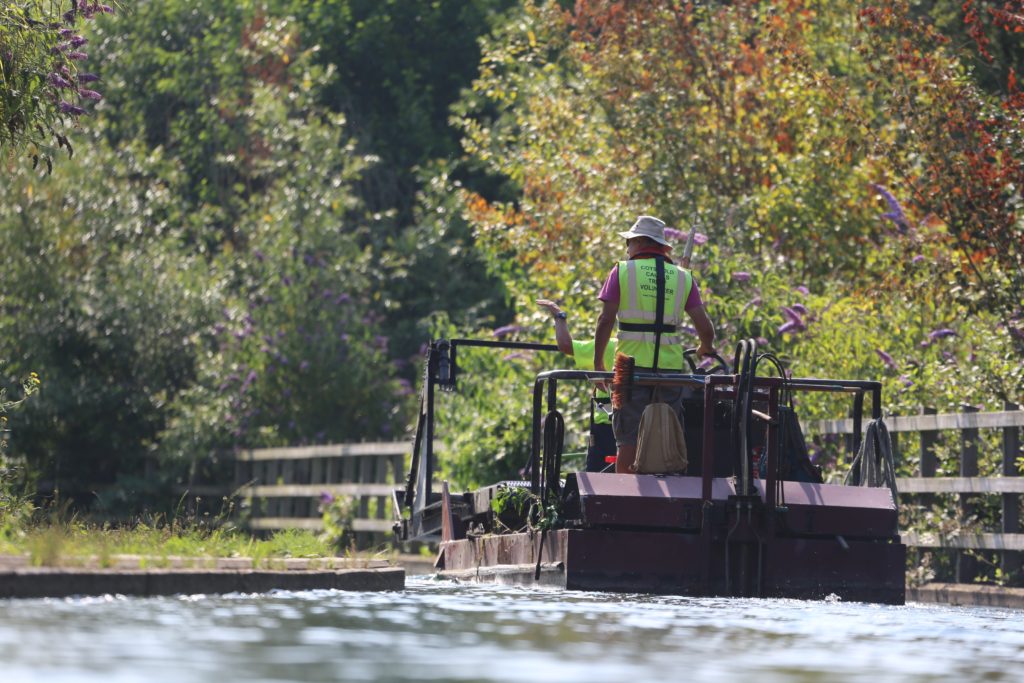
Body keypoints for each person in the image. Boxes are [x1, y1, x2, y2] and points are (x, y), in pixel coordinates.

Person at [593, 215, 716, 474]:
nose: (627, 248)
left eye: (629, 242)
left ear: (639, 242)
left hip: (629, 370)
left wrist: (598, 364)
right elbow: (706, 328)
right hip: (670, 373)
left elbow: (605, 320)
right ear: (661, 246)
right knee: (666, 437)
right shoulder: (683, 278)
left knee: (627, 440)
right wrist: (705, 346)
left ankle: (626, 499)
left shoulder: (622, 271)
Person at [536, 298, 617, 472]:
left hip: (608, 427)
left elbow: (565, 345)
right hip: (648, 427)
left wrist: (559, 316)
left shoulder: (612, 347)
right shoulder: (663, 350)